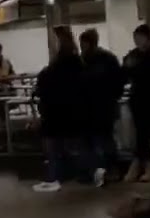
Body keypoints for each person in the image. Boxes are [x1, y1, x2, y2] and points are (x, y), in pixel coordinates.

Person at [33, 26, 86, 193]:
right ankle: (75, 174)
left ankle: (54, 177)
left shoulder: (59, 65)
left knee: (54, 146)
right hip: (68, 110)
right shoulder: (75, 62)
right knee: (68, 145)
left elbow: (49, 81)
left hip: (57, 111)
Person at [79, 28, 124, 185]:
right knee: (103, 140)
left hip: (97, 107)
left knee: (98, 141)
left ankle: (98, 171)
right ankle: (107, 170)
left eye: (83, 43)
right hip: (102, 107)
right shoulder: (108, 59)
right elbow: (119, 82)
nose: (82, 46)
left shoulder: (85, 61)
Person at [123, 24, 150, 182]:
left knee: (144, 133)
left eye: (140, 38)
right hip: (137, 99)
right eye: (136, 38)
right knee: (141, 133)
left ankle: (140, 165)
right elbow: (124, 74)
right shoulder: (133, 56)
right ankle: (144, 165)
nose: (138, 41)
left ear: (148, 38)